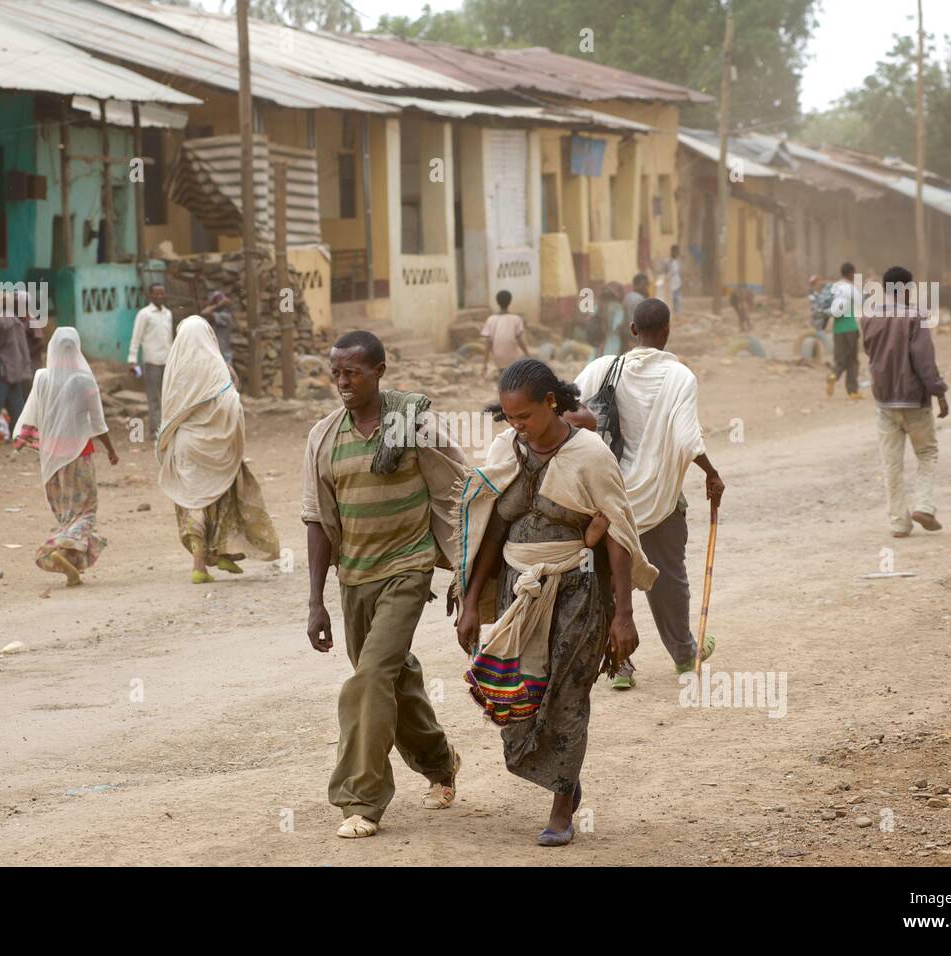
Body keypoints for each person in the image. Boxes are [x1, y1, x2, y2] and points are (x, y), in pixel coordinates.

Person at [454, 358, 657, 846]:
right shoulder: (507, 448)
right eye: (509, 418)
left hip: (578, 591)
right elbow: (491, 524)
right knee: (516, 695)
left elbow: (618, 534)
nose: (517, 427)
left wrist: (623, 617)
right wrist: (469, 602)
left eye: (524, 416)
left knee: (566, 696)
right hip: (516, 593)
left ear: (551, 404)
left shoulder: (589, 454)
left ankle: (562, 807)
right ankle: (566, 774)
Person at [302, 330, 463, 840]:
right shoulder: (323, 437)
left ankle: (361, 800)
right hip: (354, 577)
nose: (343, 382)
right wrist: (316, 602)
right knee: (393, 678)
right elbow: (315, 520)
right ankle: (441, 764)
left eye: (352, 372)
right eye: (336, 374)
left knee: (370, 677)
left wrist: (464, 567)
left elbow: (460, 492)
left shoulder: (415, 428)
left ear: (379, 370)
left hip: (407, 570)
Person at [573, 297, 724, 688]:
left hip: (606, 498)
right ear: (668, 331)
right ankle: (684, 655)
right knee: (668, 577)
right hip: (658, 498)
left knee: (605, 577)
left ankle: (619, 666)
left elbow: (567, 412)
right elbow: (688, 437)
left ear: (633, 330)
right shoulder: (680, 378)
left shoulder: (602, 368)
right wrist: (711, 474)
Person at [157, 316, 279, 583]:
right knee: (219, 498)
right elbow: (231, 402)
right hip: (217, 443)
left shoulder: (174, 367)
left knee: (193, 500)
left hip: (185, 444)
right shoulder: (217, 367)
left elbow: (168, 410)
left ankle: (207, 560)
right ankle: (210, 559)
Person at [13, 328, 118, 586]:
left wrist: (27, 439)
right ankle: (54, 548)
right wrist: (112, 451)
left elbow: (33, 414)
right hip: (79, 456)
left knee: (66, 514)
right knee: (85, 513)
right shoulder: (84, 380)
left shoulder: (42, 378)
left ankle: (70, 564)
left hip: (50, 459)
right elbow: (98, 423)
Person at [861, 266, 949, 538]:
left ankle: (899, 522)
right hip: (914, 401)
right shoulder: (915, 317)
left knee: (892, 464)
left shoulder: (868, 317)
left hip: (884, 401)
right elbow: (924, 361)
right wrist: (939, 392)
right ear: (906, 289)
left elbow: (871, 354)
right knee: (926, 453)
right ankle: (923, 505)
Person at [0, 295, 33, 442]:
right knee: (16, 405)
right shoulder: (18, 322)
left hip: (1, 369)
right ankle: (18, 436)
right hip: (16, 371)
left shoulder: (1, 320)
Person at [128, 283, 173, 437]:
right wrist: (132, 359)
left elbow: (170, 338)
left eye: (162, 293)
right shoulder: (144, 314)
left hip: (167, 360)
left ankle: (166, 428)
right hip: (151, 361)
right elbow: (136, 338)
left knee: (167, 396)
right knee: (154, 398)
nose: (160, 296)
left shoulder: (168, 314)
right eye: (157, 294)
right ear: (150, 295)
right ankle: (155, 429)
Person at [827, 262, 864, 400]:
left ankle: (833, 375)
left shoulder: (834, 288)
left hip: (837, 329)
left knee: (840, 359)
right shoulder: (850, 288)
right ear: (851, 274)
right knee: (853, 361)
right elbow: (862, 303)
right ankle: (852, 391)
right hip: (850, 328)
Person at [481, 289, 529, 378]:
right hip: (513, 358)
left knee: (503, 378)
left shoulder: (491, 319)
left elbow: (488, 343)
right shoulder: (516, 319)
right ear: (510, 302)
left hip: (498, 358)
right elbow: (520, 340)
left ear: (497, 302)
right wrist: (527, 354)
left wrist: (485, 364)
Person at [199, 291, 236, 369]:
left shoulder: (225, 316)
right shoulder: (215, 316)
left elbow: (205, 312)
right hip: (216, 357)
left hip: (224, 358)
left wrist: (217, 305)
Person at [598, 282, 627, 356]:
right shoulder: (618, 307)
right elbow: (617, 325)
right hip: (613, 337)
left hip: (601, 338)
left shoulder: (599, 306)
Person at [664, 245, 683, 316]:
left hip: (678, 284)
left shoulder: (679, 262)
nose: (676, 253)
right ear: (671, 251)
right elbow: (664, 273)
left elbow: (680, 273)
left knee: (678, 302)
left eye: (677, 251)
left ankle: (677, 316)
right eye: (675, 251)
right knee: (670, 302)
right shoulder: (667, 261)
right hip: (670, 285)